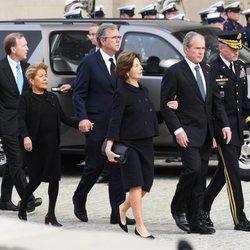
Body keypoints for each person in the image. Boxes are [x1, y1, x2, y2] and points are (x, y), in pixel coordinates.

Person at [160, 31, 231, 234]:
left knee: (200, 177)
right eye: (197, 48)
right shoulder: (175, 72)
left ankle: (195, 219)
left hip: (206, 133)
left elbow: (215, 103)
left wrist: (223, 126)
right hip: (186, 132)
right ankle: (178, 208)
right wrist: (177, 130)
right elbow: (166, 106)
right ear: (186, 49)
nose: (201, 52)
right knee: (192, 170)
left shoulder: (207, 70)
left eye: (203, 48)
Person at [72, 23, 135, 226]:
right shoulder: (89, 62)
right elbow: (78, 94)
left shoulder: (121, 60)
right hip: (96, 123)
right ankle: (79, 197)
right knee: (94, 166)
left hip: (117, 124)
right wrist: (82, 118)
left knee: (116, 167)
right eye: (114, 37)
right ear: (102, 41)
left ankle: (117, 213)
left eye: (119, 37)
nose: (118, 40)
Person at [17, 63, 79, 226]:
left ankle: (51, 214)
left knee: (54, 179)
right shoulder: (25, 98)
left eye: (46, 75)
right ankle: (23, 203)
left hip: (52, 146)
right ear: (31, 80)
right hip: (34, 146)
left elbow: (64, 117)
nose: (45, 79)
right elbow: (20, 119)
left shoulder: (52, 98)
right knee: (36, 179)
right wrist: (26, 137)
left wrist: (79, 124)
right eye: (41, 76)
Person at [105, 51, 158, 239]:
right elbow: (114, 120)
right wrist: (109, 146)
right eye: (136, 65)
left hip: (146, 143)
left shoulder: (143, 90)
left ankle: (123, 207)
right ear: (127, 71)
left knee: (147, 184)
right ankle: (140, 227)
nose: (141, 67)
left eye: (140, 64)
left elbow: (149, 116)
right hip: (129, 145)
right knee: (136, 185)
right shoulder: (121, 93)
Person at [202, 31, 250, 232]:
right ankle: (240, 219)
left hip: (237, 128)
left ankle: (200, 207)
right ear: (222, 48)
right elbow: (213, 104)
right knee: (232, 174)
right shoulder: (213, 68)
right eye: (232, 49)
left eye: (238, 49)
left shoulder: (239, 67)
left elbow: (243, 101)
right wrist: (215, 131)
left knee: (223, 173)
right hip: (223, 130)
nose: (236, 53)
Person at [0, 33, 42, 212]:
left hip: (24, 124)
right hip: (6, 123)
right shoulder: (0, 68)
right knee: (16, 161)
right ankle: (28, 198)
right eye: (24, 45)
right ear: (13, 49)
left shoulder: (27, 68)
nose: (27, 48)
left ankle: (4, 200)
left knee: (15, 163)